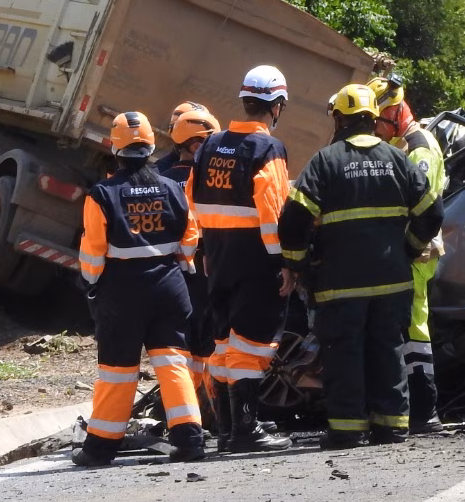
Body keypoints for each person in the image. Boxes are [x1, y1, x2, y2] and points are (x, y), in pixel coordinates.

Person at [277, 84, 443, 449]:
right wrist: (410, 248)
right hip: (392, 281)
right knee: (388, 350)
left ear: (339, 119)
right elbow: (432, 213)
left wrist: (296, 264)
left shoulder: (326, 161)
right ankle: (392, 426)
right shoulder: (398, 159)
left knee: (344, 352)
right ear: (372, 118)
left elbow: (293, 219)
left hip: (340, 284)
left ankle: (347, 430)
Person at [72, 111, 206, 467]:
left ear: (115, 149)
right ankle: (190, 439)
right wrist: (180, 263)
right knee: (173, 362)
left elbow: (93, 253)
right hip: (169, 286)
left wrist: (93, 281)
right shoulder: (171, 187)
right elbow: (190, 235)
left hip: (122, 290)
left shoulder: (102, 193)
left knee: (118, 369)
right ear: (150, 147)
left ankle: (100, 448)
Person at [190, 68, 293, 453]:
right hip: (255, 260)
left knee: (223, 342)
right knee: (251, 343)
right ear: (277, 106)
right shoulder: (268, 150)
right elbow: (273, 211)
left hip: (217, 257)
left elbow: (192, 201)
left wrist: (203, 250)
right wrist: (283, 261)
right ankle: (247, 430)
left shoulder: (210, 145)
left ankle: (228, 429)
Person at [369, 73, 448, 434]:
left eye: (379, 121)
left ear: (396, 111)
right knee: (410, 328)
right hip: (409, 250)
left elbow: (420, 206)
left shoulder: (419, 148)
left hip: (416, 252)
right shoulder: (404, 145)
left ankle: (424, 409)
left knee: (415, 329)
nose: (375, 129)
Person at [157, 104, 219, 417]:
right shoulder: (210, 181)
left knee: (177, 345)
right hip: (204, 273)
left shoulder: (160, 180)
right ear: (198, 144)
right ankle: (206, 408)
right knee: (206, 344)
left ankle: (182, 408)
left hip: (167, 276)